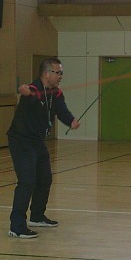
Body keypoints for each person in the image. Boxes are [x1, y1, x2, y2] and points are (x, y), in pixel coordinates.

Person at [7, 57, 80, 239]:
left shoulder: (55, 93)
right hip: (22, 141)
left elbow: (61, 111)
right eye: (58, 72)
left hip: (37, 141)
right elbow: (29, 93)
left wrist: (71, 121)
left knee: (45, 179)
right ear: (47, 74)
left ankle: (37, 216)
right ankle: (17, 226)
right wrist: (24, 91)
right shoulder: (34, 90)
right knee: (27, 182)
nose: (61, 76)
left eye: (61, 72)